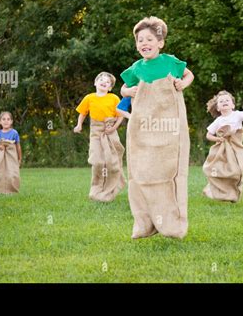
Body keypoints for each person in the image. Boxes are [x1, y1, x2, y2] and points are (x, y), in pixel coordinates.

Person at [120, 16, 194, 239]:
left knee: (168, 171)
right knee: (142, 170)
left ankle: (172, 224)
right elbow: (124, 87)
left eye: (149, 39)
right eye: (140, 40)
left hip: (168, 127)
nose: (144, 43)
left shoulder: (170, 62)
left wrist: (183, 83)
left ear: (160, 42)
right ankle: (144, 222)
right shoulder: (136, 68)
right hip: (143, 128)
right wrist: (127, 92)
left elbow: (189, 74)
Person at [73, 72, 125, 202]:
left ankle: (111, 189)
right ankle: (96, 190)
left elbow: (120, 115)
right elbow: (82, 113)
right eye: (101, 79)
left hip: (110, 131)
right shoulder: (89, 98)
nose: (103, 82)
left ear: (110, 87)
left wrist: (114, 127)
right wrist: (79, 125)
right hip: (96, 132)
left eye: (107, 82)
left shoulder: (113, 98)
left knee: (111, 161)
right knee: (97, 161)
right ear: (95, 82)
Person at [203, 90, 243, 202]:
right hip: (222, 150)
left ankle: (232, 191)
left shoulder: (237, 114)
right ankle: (216, 190)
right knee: (220, 170)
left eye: (227, 100)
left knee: (237, 170)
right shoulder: (218, 121)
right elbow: (208, 135)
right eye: (221, 101)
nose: (224, 102)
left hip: (236, 148)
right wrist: (217, 139)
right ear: (218, 107)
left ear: (232, 105)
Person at [0, 112, 22, 194]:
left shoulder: (14, 133)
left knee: (12, 174)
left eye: (8, 119)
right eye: (3, 119)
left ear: (11, 121)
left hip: (11, 156)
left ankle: (12, 190)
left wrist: (20, 158)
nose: (6, 121)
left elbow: (18, 146)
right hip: (0, 156)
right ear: (0, 121)